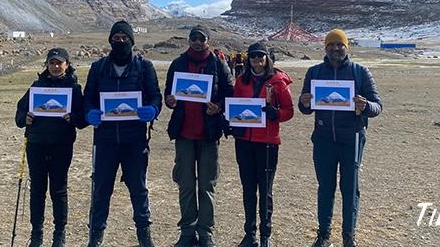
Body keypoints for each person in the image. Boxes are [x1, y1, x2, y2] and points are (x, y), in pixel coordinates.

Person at [81, 20, 163, 247]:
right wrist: (89, 113)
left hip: (134, 140)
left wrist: (153, 109)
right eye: (115, 38)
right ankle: (95, 238)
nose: (120, 41)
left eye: (124, 38)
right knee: (100, 190)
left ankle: (145, 237)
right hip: (105, 140)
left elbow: (155, 95)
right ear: (110, 41)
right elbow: (88, 97)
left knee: (139, 189)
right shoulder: (98, 68)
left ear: (131, 41)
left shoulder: (144, 66)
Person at [298, 29, 382, 247]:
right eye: (331, 45)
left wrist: (365, 106)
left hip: (351, 140)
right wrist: (304, 102)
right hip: (324, 139)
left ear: (347, 47)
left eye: (340, 45)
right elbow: (305, 108)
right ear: (325, 48)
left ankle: (348, 236)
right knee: (325, 187)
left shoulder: (360, 72)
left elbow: (377, 107)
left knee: (350, 188)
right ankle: (324, 235)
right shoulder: (314, 72)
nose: (335, 49)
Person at [164, 24, 234, 247]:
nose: (197, 42)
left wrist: (219, 107)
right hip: (184, 133)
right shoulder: (178, 63)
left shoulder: (218, 64)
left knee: (207, 184)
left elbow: (229, 93)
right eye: (193, 38)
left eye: (201, 39)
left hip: (208, 134)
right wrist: (169, 101)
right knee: (185, 184)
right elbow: (169, 92)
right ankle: (187, 231)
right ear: (189, 40)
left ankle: (205, 232)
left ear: (208, 41)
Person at [15, 48, 86, 247]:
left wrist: (74, 118)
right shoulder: (36, 86)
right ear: (46, 65)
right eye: (52, 63)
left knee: (59, 189)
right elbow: (20, 114)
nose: (55, 66)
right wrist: (25, 118)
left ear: (67, 65)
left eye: (59, 63)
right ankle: (36, 233)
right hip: (36, 144)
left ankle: (59, 233)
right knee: (37, 189)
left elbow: (83, 119)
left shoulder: (74, 89)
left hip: (61, 145)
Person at [230, 42, 294, 247]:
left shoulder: (278, 82)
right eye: (253, 56)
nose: (257, 60)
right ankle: (250, 234)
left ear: (267, 58)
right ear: (248, 59)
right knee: (248, 189)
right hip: (244, 142)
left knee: (265, 189)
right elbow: (236, 105)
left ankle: (266, 233)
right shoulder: (241, 81)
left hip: (267, 142)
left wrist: (277, 114)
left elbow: (289, 111)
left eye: (261, 56)